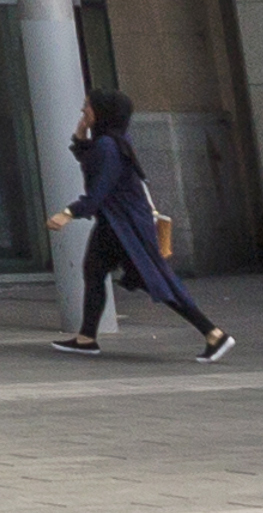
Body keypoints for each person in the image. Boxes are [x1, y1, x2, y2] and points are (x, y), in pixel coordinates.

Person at [55, 92, 236, 360]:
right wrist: (81, 138)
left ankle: (213, 334)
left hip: (123, 227)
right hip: (117, 223)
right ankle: (86, 338)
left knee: (150, 278)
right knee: (95, 272)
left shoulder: (108, 145)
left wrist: (69, 213)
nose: (83, 112)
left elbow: (99, 189)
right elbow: (94, 164)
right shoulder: (114, 140)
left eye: (87, 108)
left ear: (102, 112)